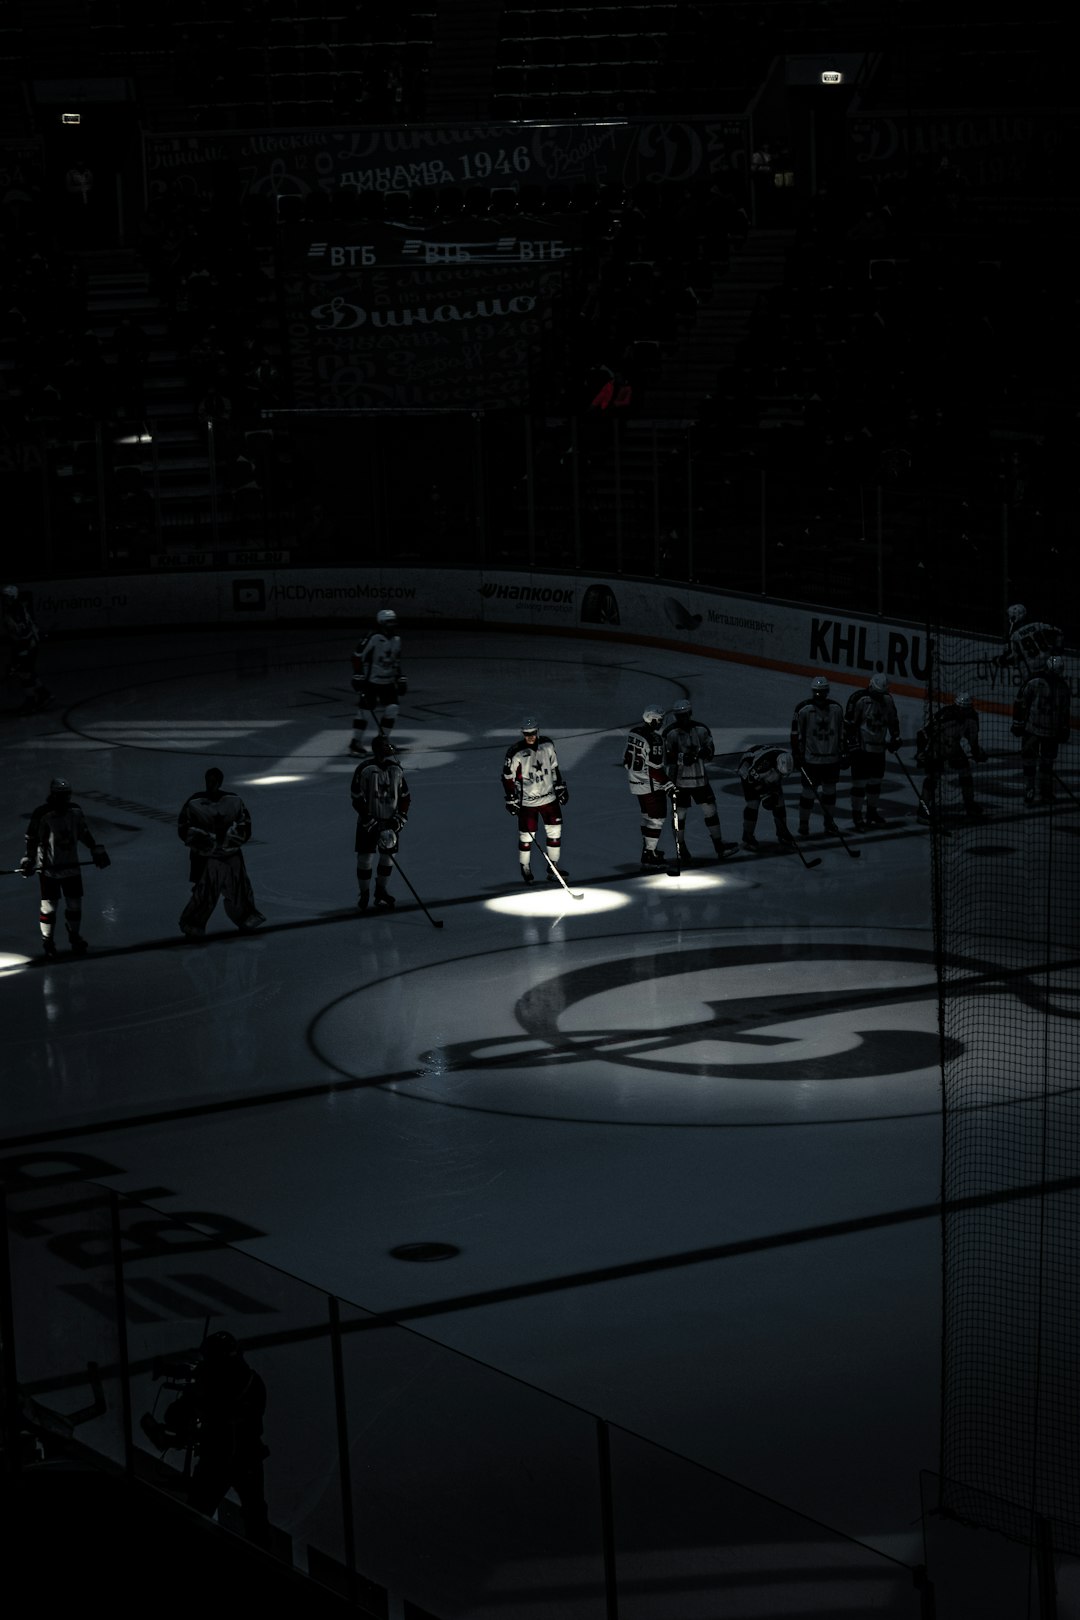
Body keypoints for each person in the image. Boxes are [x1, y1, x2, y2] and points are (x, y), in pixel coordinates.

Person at [140, 1330, 269, 1542]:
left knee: (209, 1510)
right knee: (250, 1514)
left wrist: (196, 1395)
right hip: (239, 1459)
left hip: (226, 1459)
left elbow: (178, 1413)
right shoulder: (250, 1382)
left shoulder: (226, 1384)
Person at [20, 778, 110, 958]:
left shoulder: (75, 811)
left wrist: (94, 848)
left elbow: (83, 832)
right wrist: (29, 858)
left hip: (71, 866)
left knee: (74, 904)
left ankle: (75, 936)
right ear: (53, 795)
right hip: (49, 868)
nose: (64, 799)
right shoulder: (43, 814)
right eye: (61, 795)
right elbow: (32, 838)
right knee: (49, 907)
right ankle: (48, 940)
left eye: (66, 795)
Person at [177, 768, 265, 937]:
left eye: (214, 780)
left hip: (228, 855)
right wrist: (206, 843)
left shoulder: (233, 801)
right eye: (210, 780)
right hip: (206, 857)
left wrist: (227, 842)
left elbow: (245, 825)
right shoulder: (195, 802)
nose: (212, 784)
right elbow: (184, 829)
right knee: (204, 892)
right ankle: (193, 924)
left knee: (238, 888)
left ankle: (246, 918)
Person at [662, 700, 738, 862]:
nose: (682, 719)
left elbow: (710, 750)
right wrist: (682, 758)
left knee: (710, 809)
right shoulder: (670, 733)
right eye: (679, 716)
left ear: (690, 714)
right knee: (679, 814)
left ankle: (719, 845)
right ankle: (681, 847)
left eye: (684, 715)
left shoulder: (701, 729)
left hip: (700, 778)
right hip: (679, 781)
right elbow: (666, 757)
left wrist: (706, 752)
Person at [502, 717, 568, 883]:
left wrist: (560, 786)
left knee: (555, 832)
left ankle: (553, 866)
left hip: (549, 798)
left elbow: (554, 767)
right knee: (526, 837)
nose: (530, 736)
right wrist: (511, 798)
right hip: (528, 802)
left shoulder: (547, 746)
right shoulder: (515, 752)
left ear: (537, 731)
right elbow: (507, 777)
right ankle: (525, 866)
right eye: (527, 733)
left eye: (532, 733)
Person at [350, 733, 411, 910]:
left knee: (388, 858)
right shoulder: (365, 769)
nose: (389, 747)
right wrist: (370, 821)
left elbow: (405, 797)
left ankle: (381, 890)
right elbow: (356, 798)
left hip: (390, 820)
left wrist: (399, 820)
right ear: (377, 748)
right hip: (369, 822)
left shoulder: (396, 769)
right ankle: (365, 893)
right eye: (385, 744)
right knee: (365, 858)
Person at [915, 692, 987, 820]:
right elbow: (923, 734)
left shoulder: (972, 718)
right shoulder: (945, 716)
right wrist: (921, 752)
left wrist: (977, 753)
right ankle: (923, 809)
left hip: (954, 746)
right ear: (956, 707)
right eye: (961, 709)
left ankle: (969, 805)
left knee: (965, 772)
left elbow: (973, 740)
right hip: (937, 746)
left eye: (966, 709)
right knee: (933, 777)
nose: (963, 712)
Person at [790, 675, 846, 836]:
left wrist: (844, 751)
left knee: (829, 792)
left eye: (822, 692)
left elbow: (842, 731)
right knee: (808, 792)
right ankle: (804, 824)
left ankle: (828, 822)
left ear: (827, 691)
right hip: (811, 759)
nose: (819, 695)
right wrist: (797, 753)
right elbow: (796, 733)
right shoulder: (803, 709)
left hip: (831, 759)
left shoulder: (836, 709)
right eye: (817, 692)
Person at [1012, 654, 1071, 805]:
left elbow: (1064, 711)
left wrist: (1064, 728)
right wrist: (1018, 724)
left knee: (1046, 763)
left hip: (1049, 732)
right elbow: (1021, 702)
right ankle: (1030, 790)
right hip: (1033, 730)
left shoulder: (1061, 687)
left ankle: (1044, 791)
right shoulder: (1037, 682)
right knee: (1030, 761)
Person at [844, 673, 901, 829]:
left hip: (878, 747)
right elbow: (849, 724)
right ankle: (857, 815)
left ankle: (871, 811)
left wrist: (895, 737)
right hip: (862, 749)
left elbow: (893, 720)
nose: (879, 696)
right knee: (859, 783)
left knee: (876, 782)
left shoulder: (887, 699)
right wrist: (851, 745)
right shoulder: (859, 699)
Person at [623, 703, 672, 866]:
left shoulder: (633, 732)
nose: (661, 722)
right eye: (659, 719)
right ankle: (649, 854)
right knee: (657, 818)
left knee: (646, 816)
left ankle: (648, 847)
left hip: (635, 783)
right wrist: (667, 783)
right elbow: (654, 769)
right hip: (650, 785)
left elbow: (625, 760)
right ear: (652, 720)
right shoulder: (655, 739)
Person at [350, 608, 404, 755]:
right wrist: (358, 675)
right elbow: (357, 656)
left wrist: (400, 677)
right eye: (389, 622)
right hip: (371, 682)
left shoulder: (396, 639)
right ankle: (356, 743)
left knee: (392, 709)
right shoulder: (373, 637)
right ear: (381, 623)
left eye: (394, 621)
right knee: (365, 712)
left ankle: (382, 740)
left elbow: (396, 661)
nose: (392, 625)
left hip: (388, 681)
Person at [736, 745, 796, 851]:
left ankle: (782, 831)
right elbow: (751, 779)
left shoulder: (786, 758)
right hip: (748, 768)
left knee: (779, 800)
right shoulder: (763, 765)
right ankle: (748, 835)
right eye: (780, 774)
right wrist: (765, 795)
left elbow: (780, 774)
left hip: (765, 764)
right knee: (753, 803)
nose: (782, 777)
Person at [2, 584, 51, 713]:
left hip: (26, 645)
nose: (4, 599)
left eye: (6, 597)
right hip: (28, 644)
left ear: (12, 597)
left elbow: (23, 632)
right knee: (28, 671)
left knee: (25, 673)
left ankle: (31, 701)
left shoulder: (15, 610)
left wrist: (21, 651)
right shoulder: (15, 608)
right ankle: (44, 695)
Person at [996, 604, 1064, 680]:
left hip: (1035, 671)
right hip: (1051, 663)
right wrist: (1057, 649)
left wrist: (1000, 660)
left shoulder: (1015, 636)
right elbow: (1059, 632)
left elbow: (1014, 657)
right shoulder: (1038, 625)